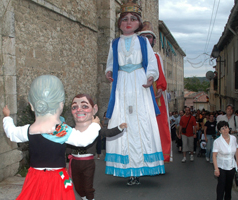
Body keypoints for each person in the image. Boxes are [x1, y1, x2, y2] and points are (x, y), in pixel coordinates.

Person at [2, 75, 101, 200]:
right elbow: (83, 140)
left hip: (35, 178)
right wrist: (95, 125)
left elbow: (11, 133)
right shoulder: (60, 130)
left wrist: (7, 117)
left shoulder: (29, 130)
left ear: (31, 105)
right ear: (61, 105)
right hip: (57, 178)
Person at [104, 0, 165, 185]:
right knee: (122, 121)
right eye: (124, 19)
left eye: (132, 19)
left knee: (141, 122)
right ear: (119, 23)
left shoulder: (143, 41)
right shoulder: (114, 43)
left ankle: (141, 166)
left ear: (138, 23)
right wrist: (108, 71)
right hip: (122, 82)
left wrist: (151, 76)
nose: (128, 22)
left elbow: (152, 64)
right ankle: (126, 168)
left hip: (139, 83)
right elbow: (110, 62)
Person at [66, 94, 127, 200]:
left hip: (88, 163)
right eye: (74, 107)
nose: (79, 110)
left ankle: (90, 198)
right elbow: (64, 144)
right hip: (74, 162)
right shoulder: (71, 129)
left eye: (84, 106)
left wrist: (119, 128)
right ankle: (85, 198)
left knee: (88, 186)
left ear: (94, 110)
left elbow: (108, 132)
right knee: (78, 187)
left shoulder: (95, 128)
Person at [138, 21, 172, 163]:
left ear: (154, 40)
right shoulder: (134, 56)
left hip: (154, 96)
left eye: (149, 37)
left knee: (158, 127)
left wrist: (160, 89)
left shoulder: (156, 56)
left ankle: (159, 156)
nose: (146, 39)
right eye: (143, 36)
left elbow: (161, 77)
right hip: (138, 94)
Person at [213, 121, 238, 200]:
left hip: (231, 165)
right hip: (221, 166)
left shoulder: (233, 138)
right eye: (223, 128)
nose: (225, 130)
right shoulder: (217, 141)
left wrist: (237, 162)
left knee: (229, 185)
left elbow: (236, 149)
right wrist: (216, 168)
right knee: (221, 185)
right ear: (219, 131)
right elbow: (214, 155)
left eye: (226, 128)